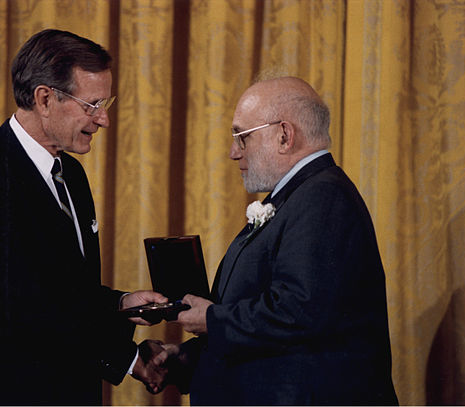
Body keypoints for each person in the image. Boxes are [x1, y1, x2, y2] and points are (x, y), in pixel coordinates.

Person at [0, 29, 167, 405]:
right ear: (44, 99)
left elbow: (64, 288)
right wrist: (130, 360)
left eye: (106, 103)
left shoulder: (70, 173)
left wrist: (121, 304)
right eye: (91, 105)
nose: (103, 119)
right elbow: (22, 312)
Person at [154, 76, 399, 405]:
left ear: (284, 135)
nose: (232, 152)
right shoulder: (300, 196)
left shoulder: (323, 196)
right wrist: (187, 358)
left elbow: (297, 312)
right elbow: (274, 322)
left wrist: (211, 320)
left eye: (242, 137)